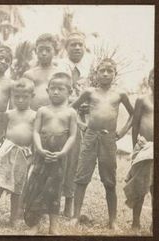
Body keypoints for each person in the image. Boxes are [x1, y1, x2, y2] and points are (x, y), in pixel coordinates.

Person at [70, 58, 134, 229]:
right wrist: (82, 125)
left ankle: (112, 220)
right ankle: (75, 216)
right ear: (96, 73)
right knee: (82, 176)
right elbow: (71, 108)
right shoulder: (89, 92)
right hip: (90, 136)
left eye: (109, 71)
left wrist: (121, 132)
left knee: (109, 180)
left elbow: (133, 114)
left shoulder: (120, 94)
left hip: (109, 138)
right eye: (102, 71)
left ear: (115, 74)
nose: (105, 74)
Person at [23, 72, 77, 234]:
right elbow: (36, 132)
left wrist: (63, 152)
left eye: (60, 89)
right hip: (41, 155)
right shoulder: (42, 111)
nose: (55, 92)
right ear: (47, 90)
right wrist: (39, 149)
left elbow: (73, 135)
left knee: (55, 190)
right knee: (36, 188)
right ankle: (35, 225)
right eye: (52, 88)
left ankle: (54, 226)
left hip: (60, 157)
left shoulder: (70, 113)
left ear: (69, 91)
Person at [0, 79, 36, 228]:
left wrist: (32, 157)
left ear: (32, 96)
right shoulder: (9, 113)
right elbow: (1, 134)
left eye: (24, 97)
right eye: (17, 97)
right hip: (7, 151)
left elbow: (36, 137)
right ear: (12, 96)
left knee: (18, 187)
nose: (20, 100)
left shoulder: (35, 115)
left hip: (24, 153)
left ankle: (14, 217)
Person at [60, 31, 94, 217]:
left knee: (75, 160)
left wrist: (87, 106)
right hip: (61, 117)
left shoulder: (89, 69)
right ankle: (52, 201)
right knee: (59, 159)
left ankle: (69, 205)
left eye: (80, 44)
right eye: (73, 44)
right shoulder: (61, 66)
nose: (77, 47)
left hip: (81, 120)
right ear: (66, 48)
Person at [124, 69, 153, 232]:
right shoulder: (142, 100)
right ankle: (136, 222)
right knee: (140, 187)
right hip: (144, 147)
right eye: (153, 77)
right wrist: (135, 147)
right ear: (148, 80)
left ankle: (153, 224)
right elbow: (135, 125)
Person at [23, 33, 69, 111]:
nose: (44, 53)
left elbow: (67, 97)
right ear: (36, 51)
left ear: (55, 51)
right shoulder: (29, 74)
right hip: (34, 116)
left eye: (48, 50)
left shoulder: (61, 74)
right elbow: (22, 97)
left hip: (55, 117)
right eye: (40, 50)